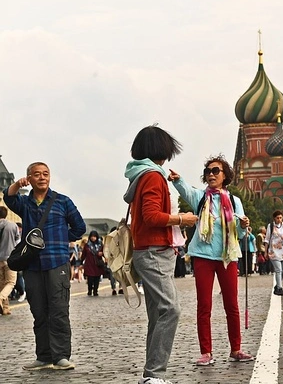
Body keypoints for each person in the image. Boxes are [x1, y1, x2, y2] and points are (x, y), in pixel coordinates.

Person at [124, 125, 199, 384]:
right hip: (155, 251)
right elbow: (152, 216)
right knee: (171, 309)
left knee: (158, 314)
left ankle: (151, 374)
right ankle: (154, 374)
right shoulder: (154, 176)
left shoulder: (140, 174)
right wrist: (182, 219)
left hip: (149, 250)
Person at [170, 155, 254, 366]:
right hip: (203, 256)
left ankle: (236, 349)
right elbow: (187, 191)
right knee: (204, 305)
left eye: (215, 171)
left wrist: (243, 225)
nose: (211, 174)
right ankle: (206, 352)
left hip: (227, 256)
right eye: (208, 171)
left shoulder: (234, 201)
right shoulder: (200, 197)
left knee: (231, 305)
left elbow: (240, 234)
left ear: (225, 175)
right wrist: (178, 180)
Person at [3, 162, 86, 371]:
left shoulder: (63, 201)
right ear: (29, 178)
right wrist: (17, 184)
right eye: (37, 174)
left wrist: (59, 238)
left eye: (45, 174)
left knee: (58, 310)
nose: (42, 177)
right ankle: (44, 356)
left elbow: (79, 227)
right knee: (39, 312)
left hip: (57, 262)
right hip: (32, 265)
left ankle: (61, 356)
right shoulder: (24, 203)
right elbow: (8, 197)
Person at [265, 210, 283, 296]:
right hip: (274, 251)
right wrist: (265, 251)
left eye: (280, 217)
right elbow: (267, 239)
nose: (279, 219)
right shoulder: (271, 226)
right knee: (278, 270)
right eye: (277, 218)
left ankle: (277, 286)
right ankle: (280, 288)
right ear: (274, 218)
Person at [0, 206, 20, 315]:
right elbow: (18, 241)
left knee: (2, 284)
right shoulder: (13, 225)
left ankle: (5, 308)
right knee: (11, 282)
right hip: (9, 258)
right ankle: (1, 297)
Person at [82, 231, 106, 297]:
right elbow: (84, 254)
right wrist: (81, 262)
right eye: (92, 236)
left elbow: (105, 253)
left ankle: (95, 290)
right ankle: (89, 290)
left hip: (97, 264)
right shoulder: (87, 245)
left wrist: (102, 254)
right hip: (89, 264)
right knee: (90, 278)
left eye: (94, 236)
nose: (93, 238)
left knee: (97, 278)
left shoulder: (100, 245)